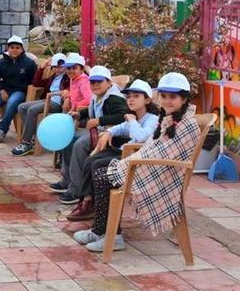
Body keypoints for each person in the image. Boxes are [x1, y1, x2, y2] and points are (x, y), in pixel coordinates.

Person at [74, 72, 200, 252]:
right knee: (100, 170)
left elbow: (163, 154)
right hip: (151, 167)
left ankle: (112, 236)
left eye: (173, 97)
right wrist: (127, 159)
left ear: (185, 98)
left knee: (103, 176)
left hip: (163, 177)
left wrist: (130, 163)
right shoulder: (169, 119)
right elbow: (152, 148)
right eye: (163, 96)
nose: (167, 101)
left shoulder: (186, 124)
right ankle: (100, 231)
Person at [67, 79, 159, 222]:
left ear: (147, 99)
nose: (131, 100)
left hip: (136, 160)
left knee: (97, 164)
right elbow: (121, 127)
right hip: (126, 153)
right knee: (91, 160)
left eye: (136, 96)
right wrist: (109, 132)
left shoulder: (151, 119)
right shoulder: (135, 116)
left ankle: (92, 204)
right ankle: (87, 200)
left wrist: (132, 120)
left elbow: (141, 137)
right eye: (129, 97)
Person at [55, 65, 128, 206]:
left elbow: (122, 116)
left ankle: (76, 190)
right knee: (69, 140)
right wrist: (79, 114)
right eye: (92, 82)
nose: (95, 85)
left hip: (111, 135)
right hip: (98, 132)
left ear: (109, 82)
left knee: (79, 144)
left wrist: (100, 121)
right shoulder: (97, 97)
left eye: (99, 82)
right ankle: (67, 180)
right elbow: (92, 111)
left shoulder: (114, 98)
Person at [11, 53, 69, 156]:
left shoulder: (67, 77)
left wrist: (65, 93)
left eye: (60, 67)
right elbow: (36, 83)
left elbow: (70, 89)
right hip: (47, 100)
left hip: (57, 103)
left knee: (32, 110)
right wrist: (41, 68)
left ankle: (26, 143)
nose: (57, 70)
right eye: (55, 67)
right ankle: (32, 138)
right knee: (22, 107)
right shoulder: (53, 77)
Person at [0, 36, 37, 143]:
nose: (14, 50)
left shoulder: (29, 63)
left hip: (20, 91)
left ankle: (2, 130)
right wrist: (0, 89)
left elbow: (34, 81)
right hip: (4, 90)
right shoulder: (1, 62)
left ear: (22, 49)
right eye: (12, 47)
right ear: (8, 49)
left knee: (12, 102)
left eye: (17, 48)